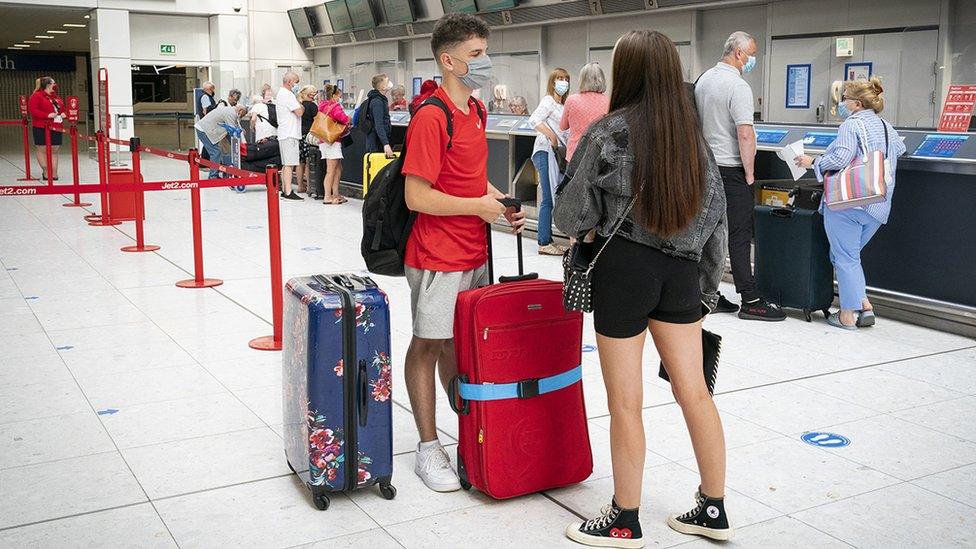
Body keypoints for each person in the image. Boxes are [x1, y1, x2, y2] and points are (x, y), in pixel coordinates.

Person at [555, 30, 731, 548]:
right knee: (694, 391)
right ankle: (713, 507)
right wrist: (703, 288)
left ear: (626, 72)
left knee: (625, 402)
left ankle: (624, 518)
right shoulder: (691, 138)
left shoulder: (609, 133)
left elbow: (571, 214)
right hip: (680, 272)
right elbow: (716, 220)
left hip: (624, 268)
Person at [401, 12, 524, 493]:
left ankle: (468, 433)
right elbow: (417, 196)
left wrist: (498, 203)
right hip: (435, 254)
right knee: (428, 344)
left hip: (475, 252)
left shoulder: (476, 112)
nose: (485, 62)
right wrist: (478, 205)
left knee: (462, 344)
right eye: (476, 55)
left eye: (485, 52)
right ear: (448, 61)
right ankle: (427, 448)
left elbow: (473, 183)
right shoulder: (433, 116)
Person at [794, 77, 905, 330]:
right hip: (878, 204)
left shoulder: (851, 125)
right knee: (846, 255)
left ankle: (847, 315)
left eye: (844, 98)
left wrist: (814, 162)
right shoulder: (887, 127)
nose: (841, 102)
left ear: (856, 103)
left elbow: (842, 157)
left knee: (845, 257)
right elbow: (898, 150)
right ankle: (864, 304)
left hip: (849, 202)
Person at [695, 32, 785, 321]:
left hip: (704, 168)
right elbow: (744, 133)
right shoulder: (738, 85)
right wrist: (749, 174)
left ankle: (705, 292)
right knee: (739, 235)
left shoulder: (704, 80)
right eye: (751, 54)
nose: (752, 60)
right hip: (731, 170)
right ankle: (751, 298)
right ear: (738, 53)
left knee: (705, 233)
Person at [528, 68, 571, 256]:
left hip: (555, 155)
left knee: (552, 196)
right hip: (545, 150)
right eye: (559, 79)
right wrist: (552, 137)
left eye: (566, 79)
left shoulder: (564, 105)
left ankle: (548, 239)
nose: (563, 82)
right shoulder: (548, 101)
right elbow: (534, 119)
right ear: (552, 82)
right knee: (547, 197)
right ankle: (544, 242)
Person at [560, 62, 609, 162]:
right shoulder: (609, 102)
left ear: (582, 79)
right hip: (599, 156)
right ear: (602, 79)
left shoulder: (572, 100)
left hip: (575, 155)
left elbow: (563, 126)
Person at [193, 104, 247, 179]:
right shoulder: (231, 113)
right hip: (204, 130)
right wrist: (242, 145)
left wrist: (241, 132)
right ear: (240, 111)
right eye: (242, 115)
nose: (241, 117)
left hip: (206, 129)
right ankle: (213, 176)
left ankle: (224, 173)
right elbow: (232, 130)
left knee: (223, 150)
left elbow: (236, 125)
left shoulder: (229, 111)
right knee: (215, 152)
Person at [318, 84, 350, 205]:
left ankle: (335, 193)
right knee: (331, 170)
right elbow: (343, 119)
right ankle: (327, 196)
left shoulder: (322, 105)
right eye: (339, 96)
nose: (340, 99)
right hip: (332, 141)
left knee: (338, 168)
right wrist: (349, 119)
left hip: (324, 140)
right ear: (334, 95)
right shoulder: (335, 106)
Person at [28, 76, 65, 181]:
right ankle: (46, 171)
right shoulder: (36, 96)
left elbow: (63, 108)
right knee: (42, 149)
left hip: (56, 126)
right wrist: (47, 115)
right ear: (48, 85)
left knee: (54, 149)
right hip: (41, 126)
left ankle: (54, 173)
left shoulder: (56, 97)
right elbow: (33, 110)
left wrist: (63, 114)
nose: (55, 85)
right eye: (54, 83)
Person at [276, 72, 305, 200]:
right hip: (290, 133)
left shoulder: (282, 94)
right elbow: (299, 111)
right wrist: (301, 104)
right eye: (296, 82)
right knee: (289, 164)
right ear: (290, 82)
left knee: (285, 164)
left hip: (284, 133)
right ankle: (288, 192)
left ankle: (284, 190)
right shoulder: (287, 95)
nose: (297, 85)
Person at [363, 73, 395, 158]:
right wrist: (386, 144)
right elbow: (378, 125)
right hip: (376, 142)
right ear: (382, 87)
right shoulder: (377, 102)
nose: (390, 83)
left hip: (377, 140)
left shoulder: (379, 99)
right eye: (387, 81)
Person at [297, 84, 320, 195]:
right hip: (308, 135)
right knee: (307, 161)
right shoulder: (312, 106)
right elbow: (317, 121)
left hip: (298, 134)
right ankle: (309, 187)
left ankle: (300, 185)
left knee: (300, 162)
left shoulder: (299, 104)